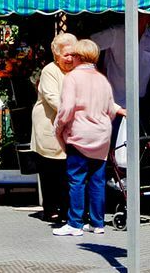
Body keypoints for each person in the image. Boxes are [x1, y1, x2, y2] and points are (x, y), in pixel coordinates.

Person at [53, 38, 120, 237]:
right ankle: (97, 222)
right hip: (101, 136)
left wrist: (58, 127)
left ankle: (75, 223)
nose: (70, 58)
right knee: (97, 180)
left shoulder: (72, 78)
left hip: (79, 135)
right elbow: (110, 109)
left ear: (79, 57)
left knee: (76, 180)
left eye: (73, 55)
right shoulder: (102, 79)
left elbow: (66, 109)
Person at [30, 33, 79, 226]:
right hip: (50, 125)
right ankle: (51, 208)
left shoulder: (78, 70)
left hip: (72, 127)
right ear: (56, 56)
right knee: (51, 167)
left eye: (73, 54)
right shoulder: (49, 71)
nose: (69, 58)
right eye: (66, 55)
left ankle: (68, 208)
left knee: (68, 169)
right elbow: (52, 98)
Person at [93, 17, 150, 105]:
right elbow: (87, 46)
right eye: (139, 12)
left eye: (145, 14)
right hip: (113, 101)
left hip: (138, 101)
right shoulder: (116, 33)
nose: (141, 16)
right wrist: (95, 72)